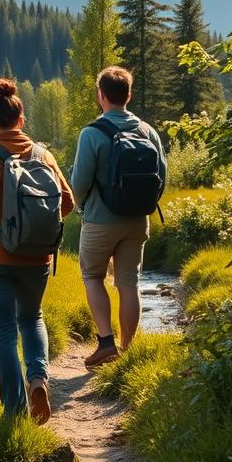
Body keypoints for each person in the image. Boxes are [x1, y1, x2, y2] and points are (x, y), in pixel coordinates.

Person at [0, 79, 74, 422]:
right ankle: (38, 379)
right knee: (33, 318)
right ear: (21, 120)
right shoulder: (43, 155)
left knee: (4, 331)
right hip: (37, 258)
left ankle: (14, 411)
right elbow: (67, 202)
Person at [70, 66, 167, 369]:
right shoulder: (147, 131)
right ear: (128, 94)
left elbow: (79, 182)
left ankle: (106, 343)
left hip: (100, 219)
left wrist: (82, 205)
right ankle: (130, 349)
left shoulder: (91, 133)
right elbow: (161, 177)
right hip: (138, 220)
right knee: (129, 282)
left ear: (101, 95)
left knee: (92, 276)